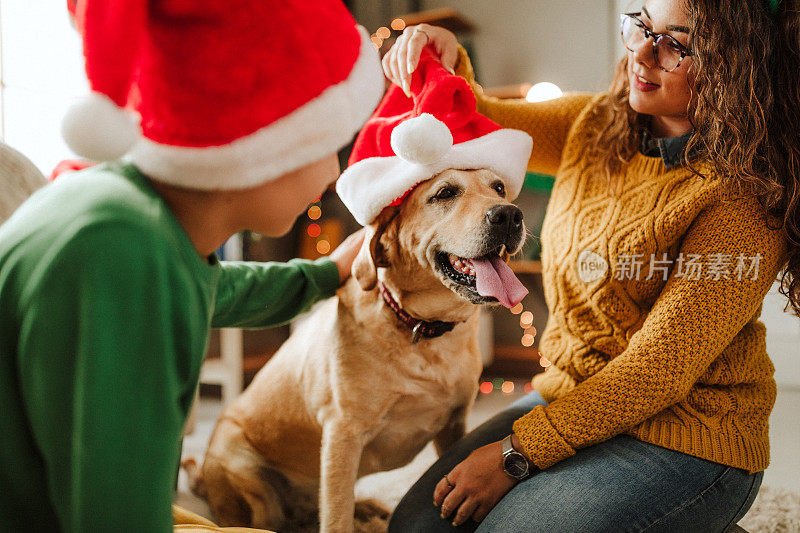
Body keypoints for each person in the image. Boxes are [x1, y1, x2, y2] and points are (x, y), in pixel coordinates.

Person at [382, 0, 800, 531]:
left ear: (737, 63)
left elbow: (657, 372)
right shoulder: (593, 124)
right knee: (416, 526)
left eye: (677, 43)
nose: (642, 53)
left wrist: (516, 455)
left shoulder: (741, 197)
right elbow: (477, 118)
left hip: (686, 437)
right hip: (570, 395)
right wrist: (446, 58)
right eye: (642, 26)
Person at [0, 0, 383, 531]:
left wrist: (324, 275)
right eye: (328, 142)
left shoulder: (142, 223)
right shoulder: (121, 252)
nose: (335, 171)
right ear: (262, 142)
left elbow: (221, 289)